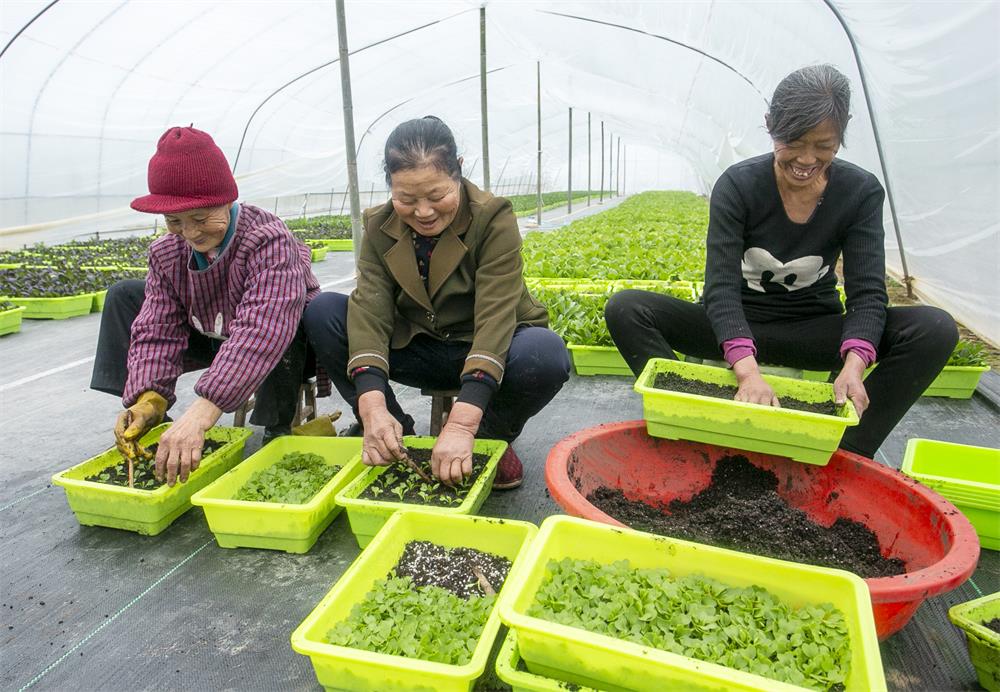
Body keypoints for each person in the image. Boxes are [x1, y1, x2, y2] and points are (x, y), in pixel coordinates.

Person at [605, 65, 957, 459]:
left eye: (824, 146)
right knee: (627, 308)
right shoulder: (739, 185)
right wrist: (747, 371)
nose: (806, 159)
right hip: (735, 325)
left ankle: (847, 451)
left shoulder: (859, 192)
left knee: (935, 329)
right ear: (770, 126)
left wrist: (854, 366)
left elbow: (867, 294)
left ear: (842, 134)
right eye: (793, 141)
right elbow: (720, 288)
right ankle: (690, 421)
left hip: (812, 330)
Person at [304, 116, 570, 489]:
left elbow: (496, 315)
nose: (423, 212)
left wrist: (463, 424)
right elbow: (370, 310)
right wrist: (372, 405)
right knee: (323, 311)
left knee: (546, 353)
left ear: (458, 172)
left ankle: (488, 440)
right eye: (406, 199)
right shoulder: (379, 227)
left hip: (488, 347)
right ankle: (399, 438)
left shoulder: (492, 218)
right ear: (390, 187)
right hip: (420, 345)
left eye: (437, 195)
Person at [91, 126, 321, 485]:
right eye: (174, 222)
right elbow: (157, 329)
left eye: (201, 218)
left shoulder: (267, 239)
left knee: (281, 328)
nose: (191, 233)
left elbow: (263, 329)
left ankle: (277, 431)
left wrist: (202, 412)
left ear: (227, 200)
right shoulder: (167, 253)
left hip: (291, 346)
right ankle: (158, 426)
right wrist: (148, 400)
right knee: (125, 295)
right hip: (215, 334)